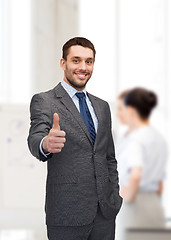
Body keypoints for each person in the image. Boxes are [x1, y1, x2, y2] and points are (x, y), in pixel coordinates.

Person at [27, 37, 122, 240]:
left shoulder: (102, 107)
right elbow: (36, 137)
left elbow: (108, 157)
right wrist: (46, 143)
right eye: (76, 60)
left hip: (105, 213)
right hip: (66, 213)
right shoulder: (45, 100)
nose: (83, 67)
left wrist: (114, 196)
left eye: (89, 61)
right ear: (63, 63)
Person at [115, 88, 168, 240]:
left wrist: (127, 197)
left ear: (130, 110)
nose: (119, 114)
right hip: (155, 205)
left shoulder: (136, 139)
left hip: (136, 205)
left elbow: (135, 175)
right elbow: (159, 184)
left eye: (121, 109)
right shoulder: (158, 138)